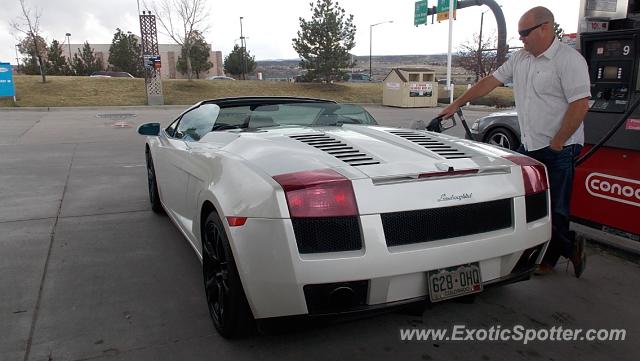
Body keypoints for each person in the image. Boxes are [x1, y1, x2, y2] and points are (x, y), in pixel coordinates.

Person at [439, 6, 589, 277]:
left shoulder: (569, 60)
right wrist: (458, 102)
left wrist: (558, 141)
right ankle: (540, 248)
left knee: (555, 208)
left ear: (545, 28)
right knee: (523, 200)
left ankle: (559, 254)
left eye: (525, 33)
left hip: (560, 148)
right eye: (520, 34)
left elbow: (580, 105)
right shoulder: (521, 59)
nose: (521, 39)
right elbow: (490, 82)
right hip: (530, 145)